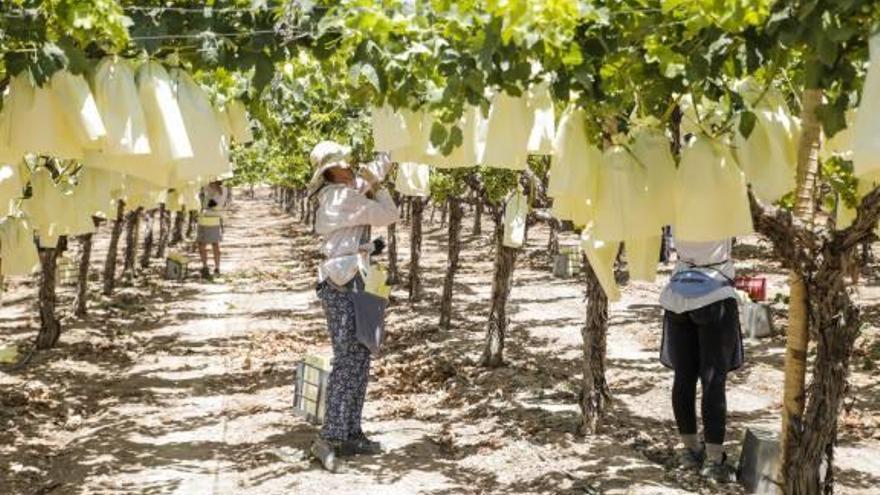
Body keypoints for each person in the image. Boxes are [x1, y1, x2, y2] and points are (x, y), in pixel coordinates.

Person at [307, 141, 398, 473]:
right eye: (345, 164)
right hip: (342, 282)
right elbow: (389, 214)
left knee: (359, 356)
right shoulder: (340, 197)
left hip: (353, 278)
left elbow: (370, 176)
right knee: (348, 358)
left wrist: (392, 143)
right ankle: (330, 437)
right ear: (332, 170)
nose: (351, 168)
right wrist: (380, 184)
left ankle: (351, 432)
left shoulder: (343, 192)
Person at [659, 238, 743, 483]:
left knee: (684, 376)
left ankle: (690, 450)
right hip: (714, 294)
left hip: (678, 295)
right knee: (713, 380)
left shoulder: (675, 202)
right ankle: (714, 461)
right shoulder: (728, 204)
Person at [197, 180, 228, 279]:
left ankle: (217, 268)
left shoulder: (223, 190)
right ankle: (205, 267)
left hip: (213, 220)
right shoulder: (206, 187)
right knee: (202, 243)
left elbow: (213, 204)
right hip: (203, 219)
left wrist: (203, 205)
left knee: (215, 243)